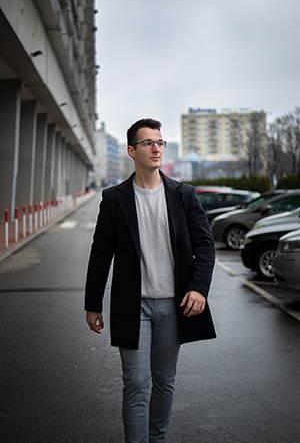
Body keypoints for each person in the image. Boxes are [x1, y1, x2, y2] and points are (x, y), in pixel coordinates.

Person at [85, 118, 216, 443]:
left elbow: (206, 245)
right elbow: (101, 254)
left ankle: (157, 438)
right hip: (133, 306)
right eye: (148, 143)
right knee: (136, 381)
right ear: (132, 151)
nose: (156, 148)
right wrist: (93, 304)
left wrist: (199, 287)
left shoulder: (183, 195)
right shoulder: (115, 199)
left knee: (164, 379)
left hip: (174, 306)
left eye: (160, 142)